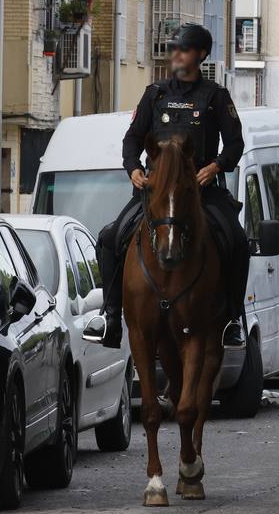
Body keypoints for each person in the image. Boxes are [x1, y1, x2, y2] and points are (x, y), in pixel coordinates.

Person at [94, 23, 250, 350]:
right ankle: (110, 315)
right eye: (174, 49)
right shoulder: (155, 94)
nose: (176, 55)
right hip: (154, 194)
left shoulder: (216, 97)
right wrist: (133, 169)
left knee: (236, 240)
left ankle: (234, 319)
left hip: (200, 194)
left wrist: (216, 166)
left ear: (201, 55)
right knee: (110, 237)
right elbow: (132, 139)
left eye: (184, 49)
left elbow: (235, 144)